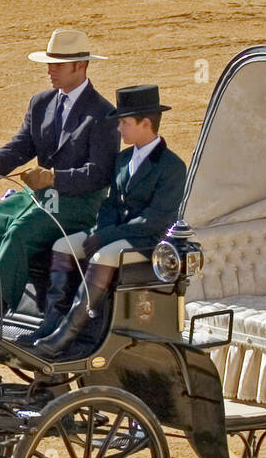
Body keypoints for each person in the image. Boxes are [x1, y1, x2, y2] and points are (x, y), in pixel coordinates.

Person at [0, 29, 117, 314]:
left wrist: (54, 178)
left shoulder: (104, 114)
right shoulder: (41, 102)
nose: (50, 71)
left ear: (81, 66)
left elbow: (99, 174)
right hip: (38, 198)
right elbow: (24, 143)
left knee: (19, 233)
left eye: (58, 65)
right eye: (49, 64)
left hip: (79, 205)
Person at [29, 84, 188, 358]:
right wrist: (100, 230)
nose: (119, 130)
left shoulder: (172, 166)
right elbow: (111, 203)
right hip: (115, 233)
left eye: (125, 123)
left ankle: (69, 332)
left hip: (146, 241)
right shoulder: (124, 158)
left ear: (146, 123)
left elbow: (154, 220)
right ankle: (51, 323)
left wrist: (105, 236)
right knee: (63, 246)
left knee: (103, 255)